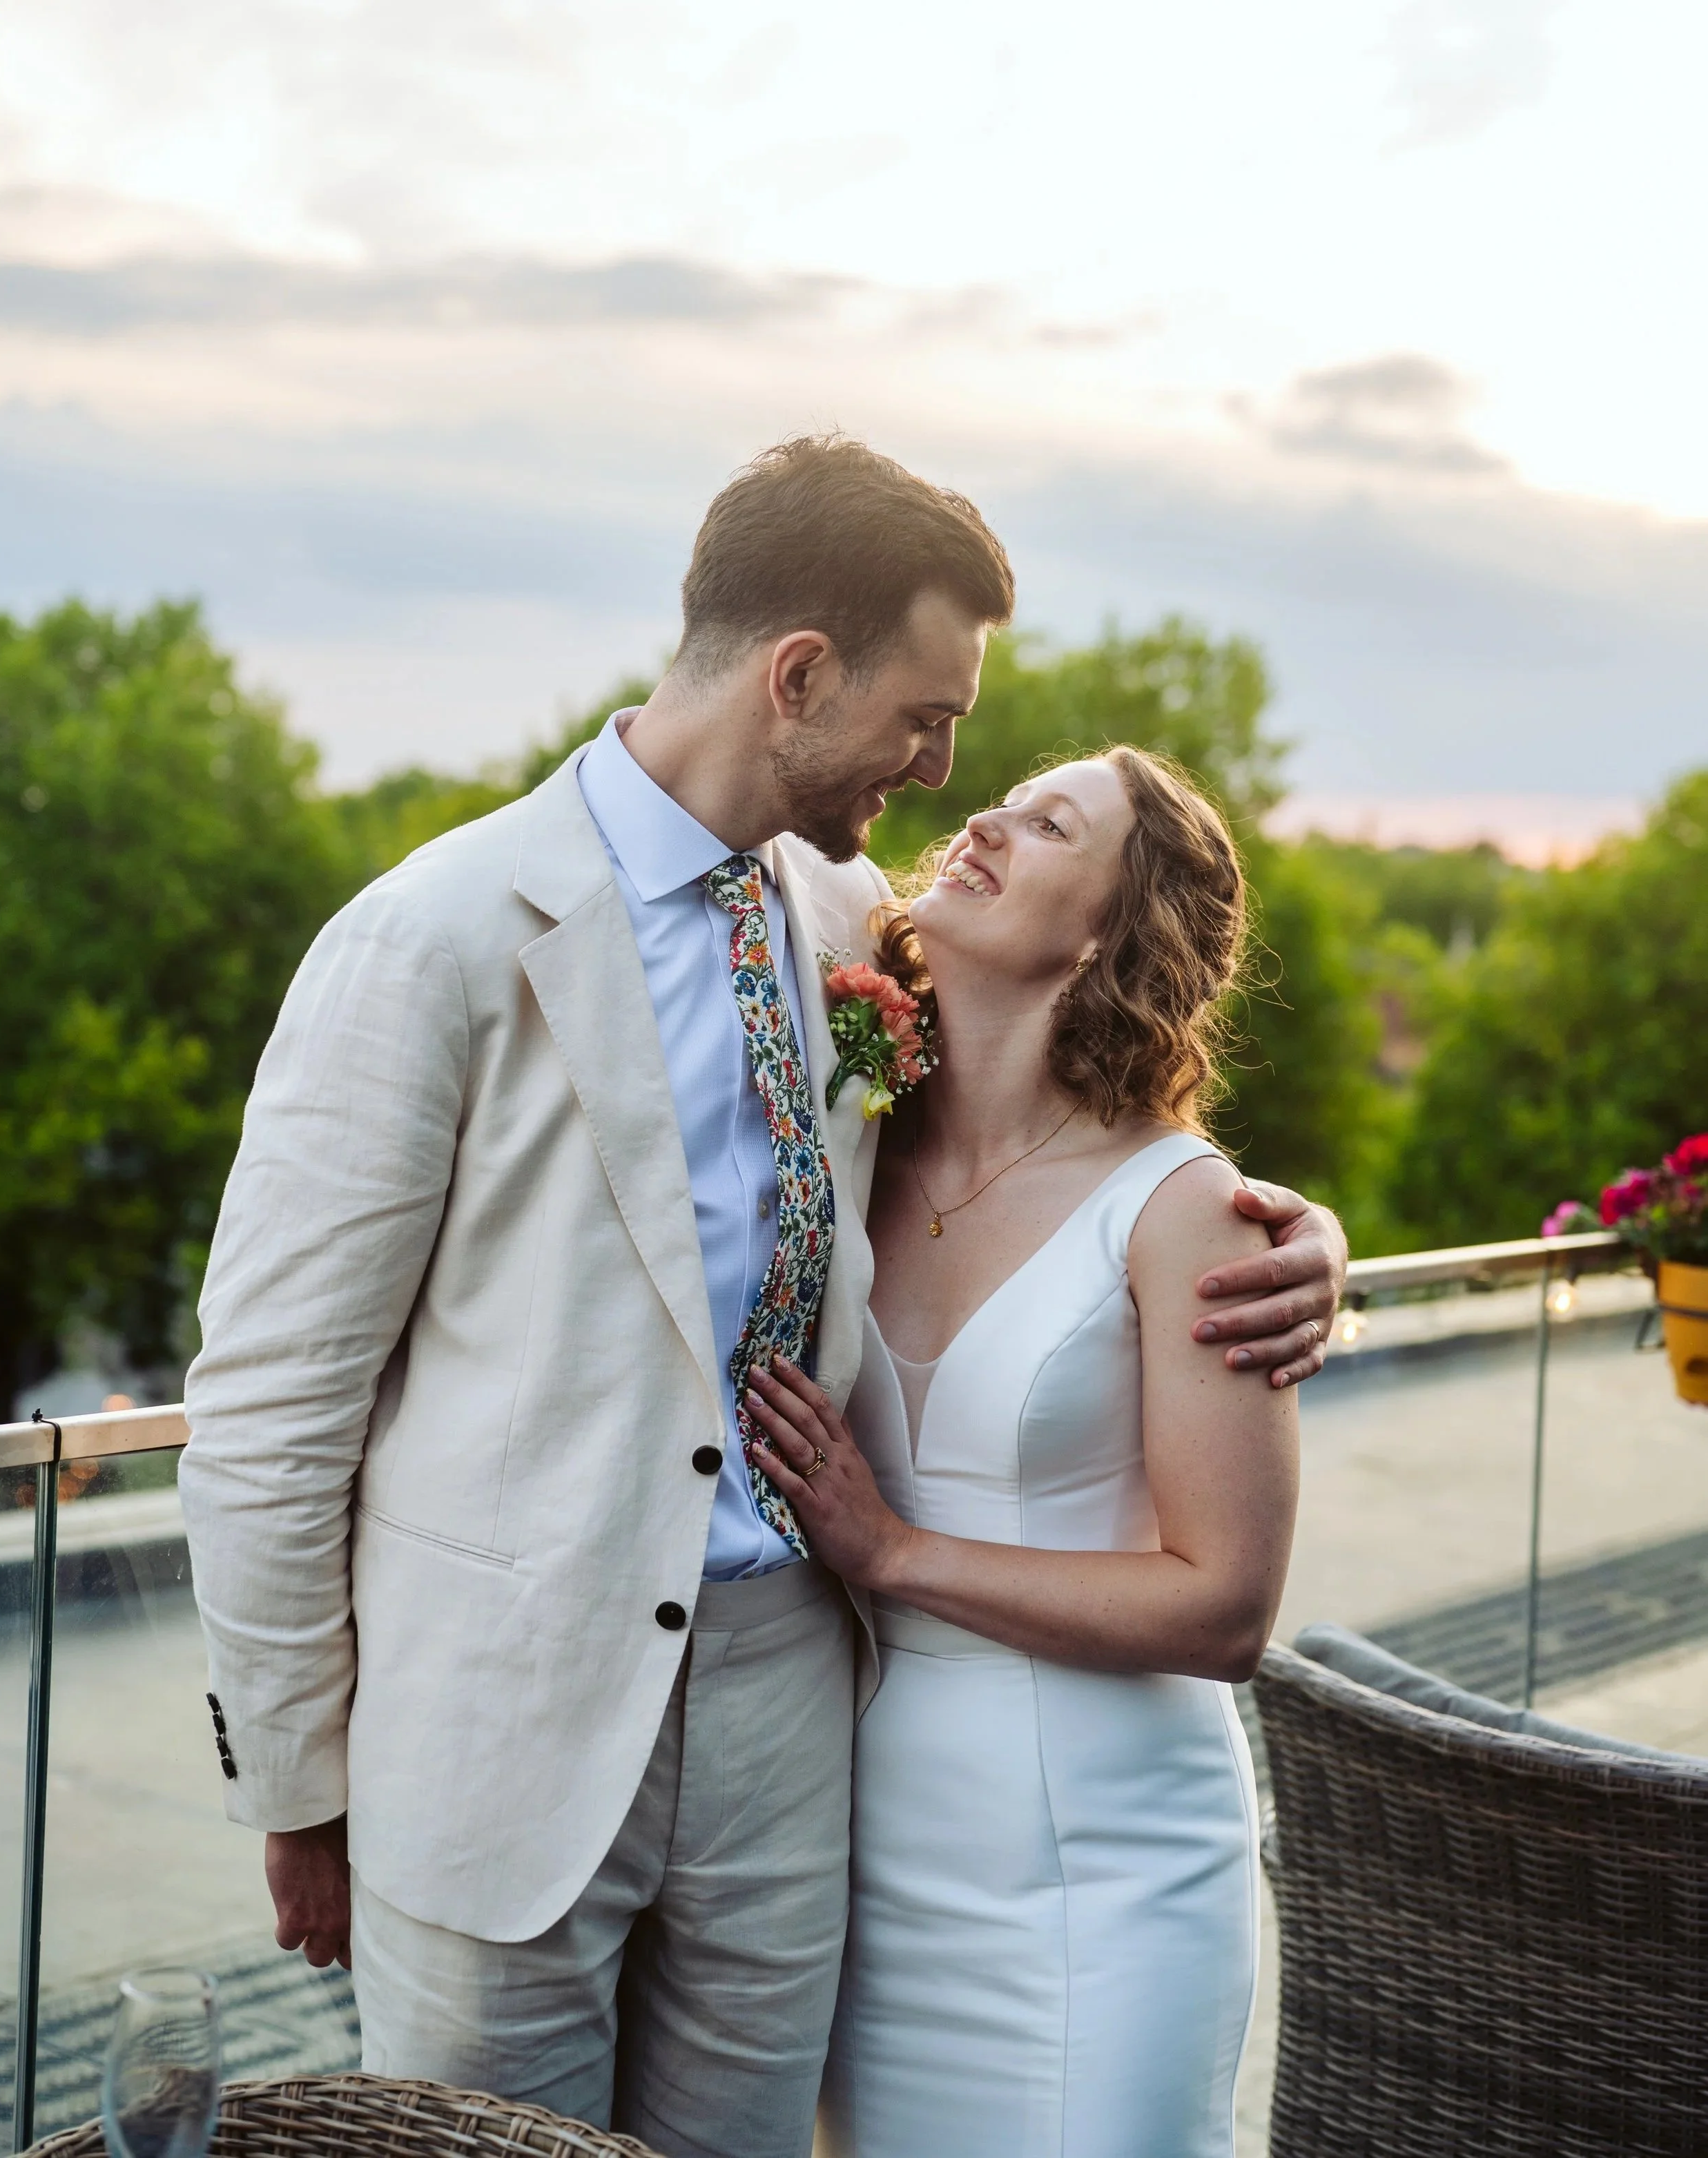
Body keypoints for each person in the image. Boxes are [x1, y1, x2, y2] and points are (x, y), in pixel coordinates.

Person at [179, 437, 1343, 2158]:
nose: (945, 768)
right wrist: (299, 1785)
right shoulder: (431, 938)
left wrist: (1291, 1241)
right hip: (499, 1738)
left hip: (791, 1734)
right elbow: (271, 1409)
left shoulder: (854, 916)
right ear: (800, 675)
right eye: (927, 717)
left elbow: (1088, 1152)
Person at [742, 747, 1299, 2158]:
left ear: (1114, 926)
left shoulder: (1185, 1208)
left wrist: (895, 1549)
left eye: (1051, 822)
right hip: (863, 1843)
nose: (981, 818)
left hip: (1107, 1869)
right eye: (1003, 797)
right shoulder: (846, 1141)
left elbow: (1223, 1606)